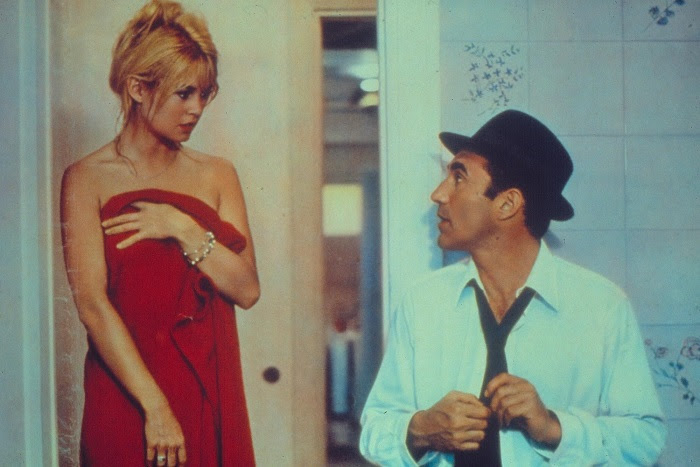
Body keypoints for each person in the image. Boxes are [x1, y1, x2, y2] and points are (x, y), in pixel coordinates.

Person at [359, 110, 666, 466]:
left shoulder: (602, 308)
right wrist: (420, 431)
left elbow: (646, 440)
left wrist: (555, 428)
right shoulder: (422, 303)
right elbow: (374, 429)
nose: (438, 194)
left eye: (458, 178)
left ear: (507, 204)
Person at [60, 1, 259, 465]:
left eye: (205, 94)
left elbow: (247, 289)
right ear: (137, 88)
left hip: (205, 388)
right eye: (183, 94)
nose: (197, 109)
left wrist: (181, 227)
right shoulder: (86, 178)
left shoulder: (217, 175)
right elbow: (92, 307)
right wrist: (156, 408)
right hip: (127, 395)